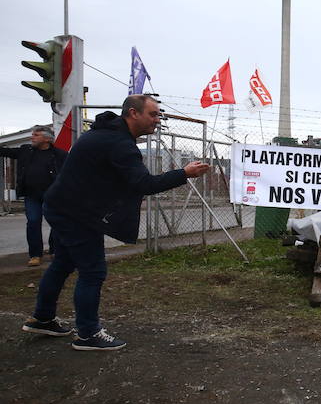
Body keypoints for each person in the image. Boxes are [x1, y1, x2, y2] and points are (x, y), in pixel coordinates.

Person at [21, 95, 210, 350]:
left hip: (65, 207)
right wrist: (184, 174)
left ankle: (42, 318)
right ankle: (88, 334)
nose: (157, 119)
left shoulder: (107, 134)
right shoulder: (119, 143)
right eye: (153, 114)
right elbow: (144, 184)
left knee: (63, 263)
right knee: (93, 271)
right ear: (133, 113)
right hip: (76, 214)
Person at [0, 125, 67, 267]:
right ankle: (35, 255)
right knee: (33, 222)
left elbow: (71, 171)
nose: (32, 137)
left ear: (47, 139)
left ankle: (54, 250)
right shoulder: (26, 150)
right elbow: (5, 151)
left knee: (56, 223)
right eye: (33, 134)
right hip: (31, 195)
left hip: (53, 196)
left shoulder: (60, 155)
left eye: (36, 135)